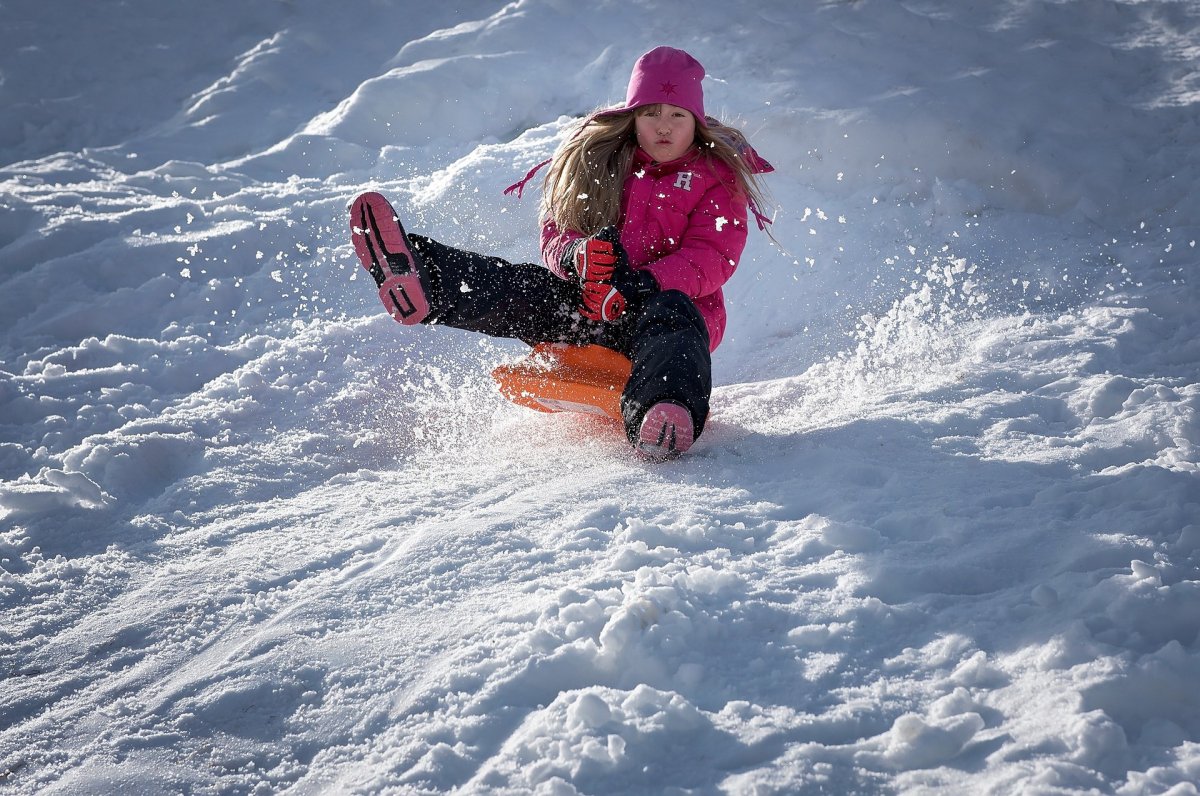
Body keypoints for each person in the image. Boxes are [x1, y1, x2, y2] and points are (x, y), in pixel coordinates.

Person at [349, 46, 773, 459]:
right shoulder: (603, 161)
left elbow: (711, 256)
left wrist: (642, 282)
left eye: (677, 115)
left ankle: (663, 409)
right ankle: (426, 279)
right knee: (527, 288)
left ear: (695, 121)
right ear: (632, 117)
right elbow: (558, 231)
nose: (664, 127)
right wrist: (577, 256)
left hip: (658, 313)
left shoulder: (714, 177)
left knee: (675, 320)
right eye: (650, 113)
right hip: (590, 306)